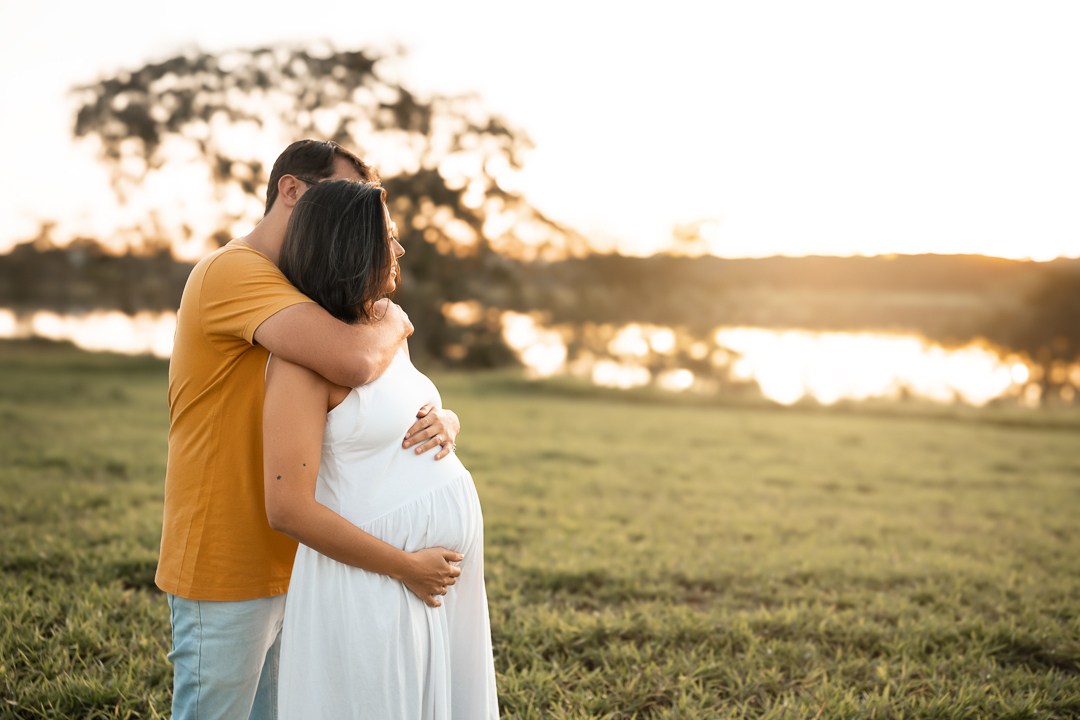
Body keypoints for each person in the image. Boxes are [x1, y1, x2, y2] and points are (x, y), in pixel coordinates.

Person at [158, 140, 465, 720]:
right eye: (337, 197)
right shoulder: (236, 271)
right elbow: (352, 361)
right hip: (231, 548)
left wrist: (444, 419)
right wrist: (397, 317)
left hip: (304, 556)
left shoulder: (307, 286)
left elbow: (368, 398)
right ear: (292, 190)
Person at [262, 179, 498, 719]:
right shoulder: (299, 365)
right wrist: (405, 567)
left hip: (432, 587)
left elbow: (392, 419)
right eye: (387, 237)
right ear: (351, 247)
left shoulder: (382, 325)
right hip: (373, 583)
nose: (399, 249)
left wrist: (448, 420)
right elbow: (287, 508)